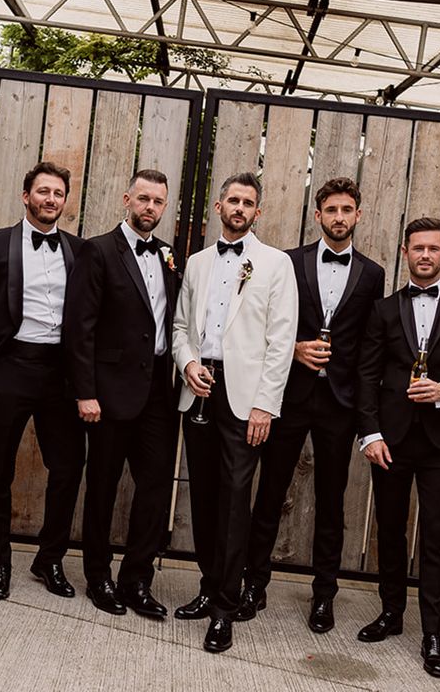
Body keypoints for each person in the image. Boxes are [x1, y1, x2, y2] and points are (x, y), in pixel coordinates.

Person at [242, 177, 384, 633]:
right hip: (290, 395)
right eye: (331, 210)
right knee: (269, 493)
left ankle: (324, 596)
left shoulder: (373, 274)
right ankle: (253, 584)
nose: (339, 217)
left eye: (347, 210)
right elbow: (268, 324)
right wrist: (296, 349)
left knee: (331, 502)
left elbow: (369, 349)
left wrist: (365, 414)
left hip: (339, 405)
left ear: (357, 216)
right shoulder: (289, 262)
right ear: (318, 214)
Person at [172, 172, 299, 653]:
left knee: (233, 499)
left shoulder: (275, 264)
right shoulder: (199, 262)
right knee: (202, 496)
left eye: (249, 202)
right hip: (199, 387)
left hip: (246, 399)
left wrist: (266, 404)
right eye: (233, 201)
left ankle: (225, 607)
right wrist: (187, 364)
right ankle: (207, 588)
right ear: (218, 206)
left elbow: (281, 340)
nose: (240, 208)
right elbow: (181, 325)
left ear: (257, 212)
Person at [357, 216, 440, 678]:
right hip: (390, 439)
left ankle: (432, 632)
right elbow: (366, 374)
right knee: (389, 528)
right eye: (417, 248)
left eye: (433, 248)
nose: (425, 255)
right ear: (405, 253)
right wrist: (369, 434)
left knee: (435, 536)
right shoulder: (384, 309)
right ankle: (391, 613)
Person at [63, 169, 180, 619]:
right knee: (103, 487)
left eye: (158, 201)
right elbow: (80, 327)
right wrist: (85, 392)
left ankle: (136, 580)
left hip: (157, 394)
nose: (150, 207)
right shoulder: (98, 249)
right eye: (144, 198)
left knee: (153, 488)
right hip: (108, 394)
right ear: (127, 199)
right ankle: (98, 577)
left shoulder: (169, 254)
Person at [0, 162, 85, 601]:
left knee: (69, 467)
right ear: (26, 196)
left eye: (58, 193)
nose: (50, 199)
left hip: (60, 373)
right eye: (43, 191)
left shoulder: (79, 250)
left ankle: (49, 559)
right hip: (9, 367)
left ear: (65, 200)